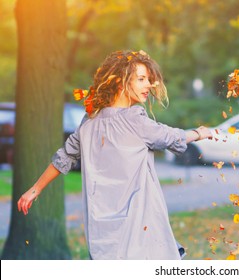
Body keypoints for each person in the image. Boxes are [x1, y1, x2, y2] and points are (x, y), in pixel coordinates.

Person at [17, 50, 212, 260]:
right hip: (137, 228)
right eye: (141, 79)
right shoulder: (135, 119)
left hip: (102, 230)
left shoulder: (89, 121)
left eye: (149, 79)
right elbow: (171, 136)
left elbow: (64, 157)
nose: (149, 85)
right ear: (120, 81)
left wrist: (34, 190)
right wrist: (200, 133)